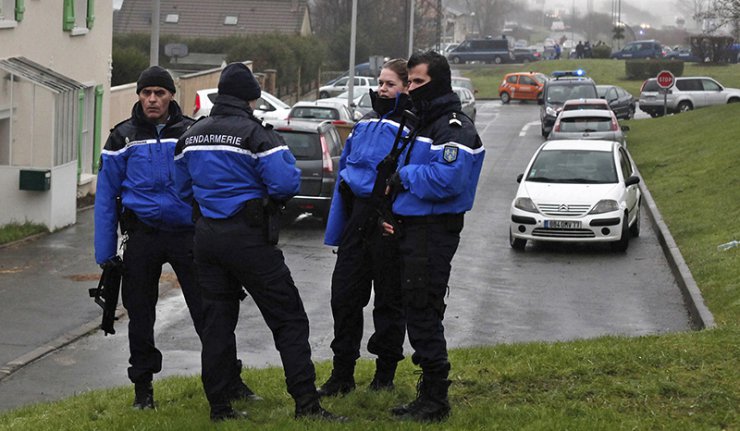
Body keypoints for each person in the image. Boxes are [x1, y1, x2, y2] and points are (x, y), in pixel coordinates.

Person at [173, 62, 345, 422]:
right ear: (252, 98)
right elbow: (285, 184)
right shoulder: (257, 136)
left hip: (206, 239)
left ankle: (219, 408)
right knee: (289, 320)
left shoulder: (191, 135)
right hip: (249, 239)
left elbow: (181, 188)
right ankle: (306, 405)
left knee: (217, 323)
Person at [94, 66, 257, 410]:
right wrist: (105, 252)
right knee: (140, 316)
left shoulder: (190, 132)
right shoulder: (120, 138)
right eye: (146, 93)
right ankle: (143, 390)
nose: (153, 99)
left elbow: (209, 184)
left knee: (210, 312)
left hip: (188, 235)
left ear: (171, 96)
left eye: (160, 93)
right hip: (143, 237)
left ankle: (230, 381)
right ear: (138, 96)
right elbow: (106, 199)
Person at [382, 51, 485, 422]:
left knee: (423, 309)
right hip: (415, 229)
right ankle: (428, 392)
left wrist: (404, 178)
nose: (410, 89)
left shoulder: (452, 126)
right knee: (417, 307)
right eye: (408, 82)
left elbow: (448, 180)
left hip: (433, 231)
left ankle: (435, 400)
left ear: (438, 83)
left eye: (418, 83)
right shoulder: (425, 121)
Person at [319, 58, 411, 396]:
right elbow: (347, 176)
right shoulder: (364, 125)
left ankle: (384, 376)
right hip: (356, 222)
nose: (381, 90)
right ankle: (342, 374)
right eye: (380, 83)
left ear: (405, 88)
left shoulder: (413, 130)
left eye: (390, 84)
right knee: (344, 299)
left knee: (389, 303)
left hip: (388, 221)